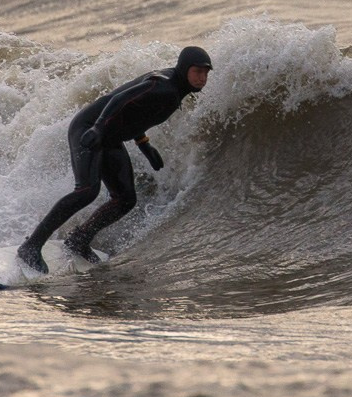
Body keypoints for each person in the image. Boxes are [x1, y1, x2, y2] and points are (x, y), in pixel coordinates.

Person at [16, 46, 213, 273]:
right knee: (86, 191)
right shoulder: (163, 86)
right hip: (89, 129)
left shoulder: (174, 89)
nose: (202, 78)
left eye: (206, 73)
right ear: (184, 68)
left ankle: (79, 240)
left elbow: (136, 113)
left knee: (125, 199)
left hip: (109, 137)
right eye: (197, 71)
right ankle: (31, 246)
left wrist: (144, 144)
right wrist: (98, 128)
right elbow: (120, 99)